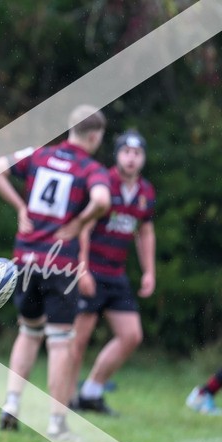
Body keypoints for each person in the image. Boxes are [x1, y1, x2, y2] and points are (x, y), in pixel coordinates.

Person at [0, 105, 111, 440]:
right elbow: (101, 199)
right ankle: (56, 422)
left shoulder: (39, 155)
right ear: (95, 136)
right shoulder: (90, 168)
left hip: (26, 260)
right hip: (60, 263)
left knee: (28, 331)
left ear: (70, 128)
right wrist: (80, 222)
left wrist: (20, 206)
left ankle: (11, 402)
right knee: (59, 342)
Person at [70, 130, 156, 415]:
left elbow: (145, 231)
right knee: (78, 340)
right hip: (91, 271)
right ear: (117, 155)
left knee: (131, 336)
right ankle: (65, 399)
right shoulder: (102, 183)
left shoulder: (145, 192)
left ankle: (91, 392)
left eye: (137, 153)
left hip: (116, 274)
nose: (131, 159)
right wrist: (82, 270)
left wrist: (149, 271)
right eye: (126, 152)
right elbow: (84, 227)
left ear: (143, 158)